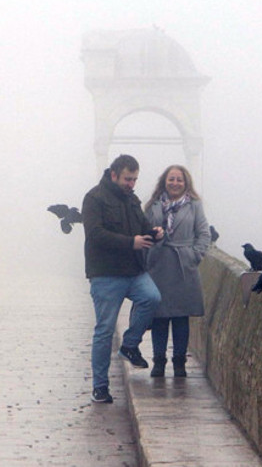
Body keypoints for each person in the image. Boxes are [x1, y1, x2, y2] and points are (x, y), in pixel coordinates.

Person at [82, 154, 163, 403]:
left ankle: (129, 345)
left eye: (135, 179)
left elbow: (142, 225)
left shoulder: (132, 199)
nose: (131, 184)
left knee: (152, 298)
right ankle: (100, 387)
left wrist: (153, 232)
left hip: (134, 271)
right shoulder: (94, 198)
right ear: (114, 174)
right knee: (104, 330)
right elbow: (95, 235)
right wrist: (131, 242)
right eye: (128, 179)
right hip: (105, 274)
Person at [143, 165, 211, 378]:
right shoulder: (152, 206)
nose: (175, 183)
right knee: (159, 317)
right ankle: (159, 362)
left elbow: (203, 233)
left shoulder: (195, 206)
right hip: (159, 264)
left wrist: (194, 256)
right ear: (164, 181)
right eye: (171, 179)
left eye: (179, 180)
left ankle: (179, 362)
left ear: (186, 183)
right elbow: (142, 232)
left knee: (181, 317)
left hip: (183, 266)